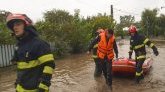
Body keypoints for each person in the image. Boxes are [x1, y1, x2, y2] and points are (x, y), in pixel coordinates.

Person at [6, 13, 55, 92]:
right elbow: (21, 68)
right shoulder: (19, 46)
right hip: (20, 88)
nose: (15, 27)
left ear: (26, 26)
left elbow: (49, 65)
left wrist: (43, 87)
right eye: (13, 25)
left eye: (18, 24)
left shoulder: (39, 44)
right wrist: (17, 83)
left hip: (36, 89)